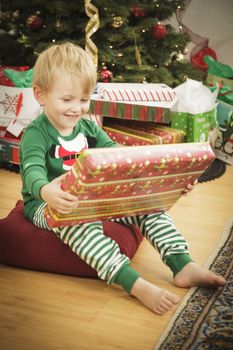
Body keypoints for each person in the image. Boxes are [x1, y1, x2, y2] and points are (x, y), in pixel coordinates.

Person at [19, 42, 226, 315]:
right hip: (48, 204)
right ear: (40, 95)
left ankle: (182, 264)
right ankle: (134, 283)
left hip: (93, 196)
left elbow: (116, 156)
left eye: (83, 100)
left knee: (150, 207)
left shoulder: (88, 126)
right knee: (81, 224)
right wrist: (46, 191)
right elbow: (32, 170)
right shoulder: (36, 133)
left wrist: (165, 182)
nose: (77, 108)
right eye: (67, 100)